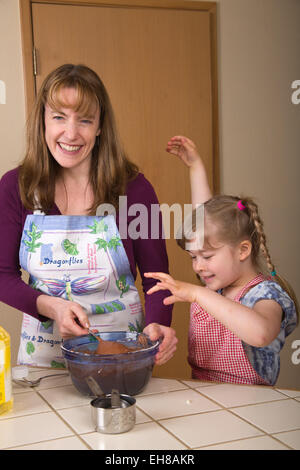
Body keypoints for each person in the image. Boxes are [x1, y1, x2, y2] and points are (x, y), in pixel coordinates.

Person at [0, 64, 177, 369]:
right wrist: (52, 306)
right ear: (42, 119)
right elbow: (1, 275)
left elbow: (156, 281)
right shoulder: (16, 187)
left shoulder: (135, 189)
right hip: (45, 360)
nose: (71, 133)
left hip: (123, 357)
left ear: (100, 126)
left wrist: (159, 325)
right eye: (58, 117)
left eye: (84, 120)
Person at [145, 135, 298, 385]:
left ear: (242, 250)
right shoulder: (215, 281)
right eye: (193, 257)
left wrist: (197, 294)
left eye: (206, 256)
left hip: (251, 406)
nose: (198, 266)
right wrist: (195, 166)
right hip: (204, 396)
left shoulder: (266, 294)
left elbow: (260, 333)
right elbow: (203, 220)